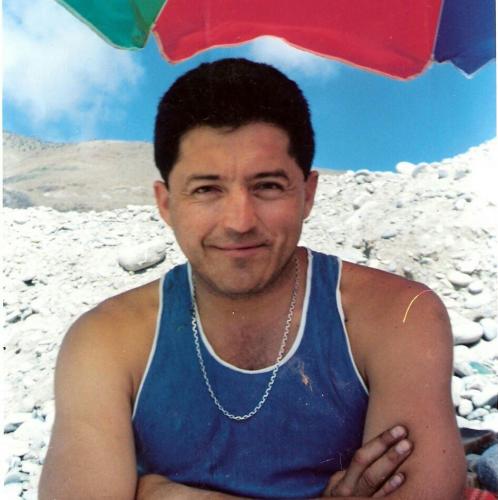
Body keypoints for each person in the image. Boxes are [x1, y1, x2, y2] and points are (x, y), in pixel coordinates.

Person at [39, 58, 466, 499]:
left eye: (267, 186)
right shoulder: (107, 341)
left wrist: (166, 495)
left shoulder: (397, 317)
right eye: (206, 189)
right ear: (166, 204)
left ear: (308, 195)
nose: (239, 222)